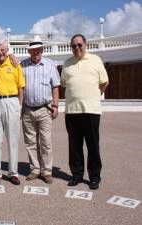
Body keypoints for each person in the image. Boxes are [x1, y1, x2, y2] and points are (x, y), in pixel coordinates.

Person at [61, 34, 109, 190]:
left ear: (85, 45)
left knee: (92, 145)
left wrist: (93, 96)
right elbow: (65, 85)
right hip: (72, 111)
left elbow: (104, 83)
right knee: (74, 146)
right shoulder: (67, 64)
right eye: (73, 46)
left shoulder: (96, 60)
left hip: (91, 111)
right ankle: (76, 175)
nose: (77, 48)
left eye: (79, 45)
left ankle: (94, 177)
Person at [0, 39, 25, 185]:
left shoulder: (15, 64)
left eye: (3, 50)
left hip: (12, 101)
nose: (0, 52)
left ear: (7, 50)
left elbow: (21, 87)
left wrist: (19, 107)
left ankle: (13, 172)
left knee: (13, 140)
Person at [21, 37, 61, 184]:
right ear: (29, 51)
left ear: (41, 50)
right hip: (27, 109)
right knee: (30, 142)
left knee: (46, 142)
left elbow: (55, 87)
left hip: (45, 109)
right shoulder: (23, 65)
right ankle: (35, 169)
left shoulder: (50, 65)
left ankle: (47, 171)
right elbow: (20, 88)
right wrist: (20, 108)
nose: (35, 52)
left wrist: (55, 106)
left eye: (38, 49)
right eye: (33, 50)